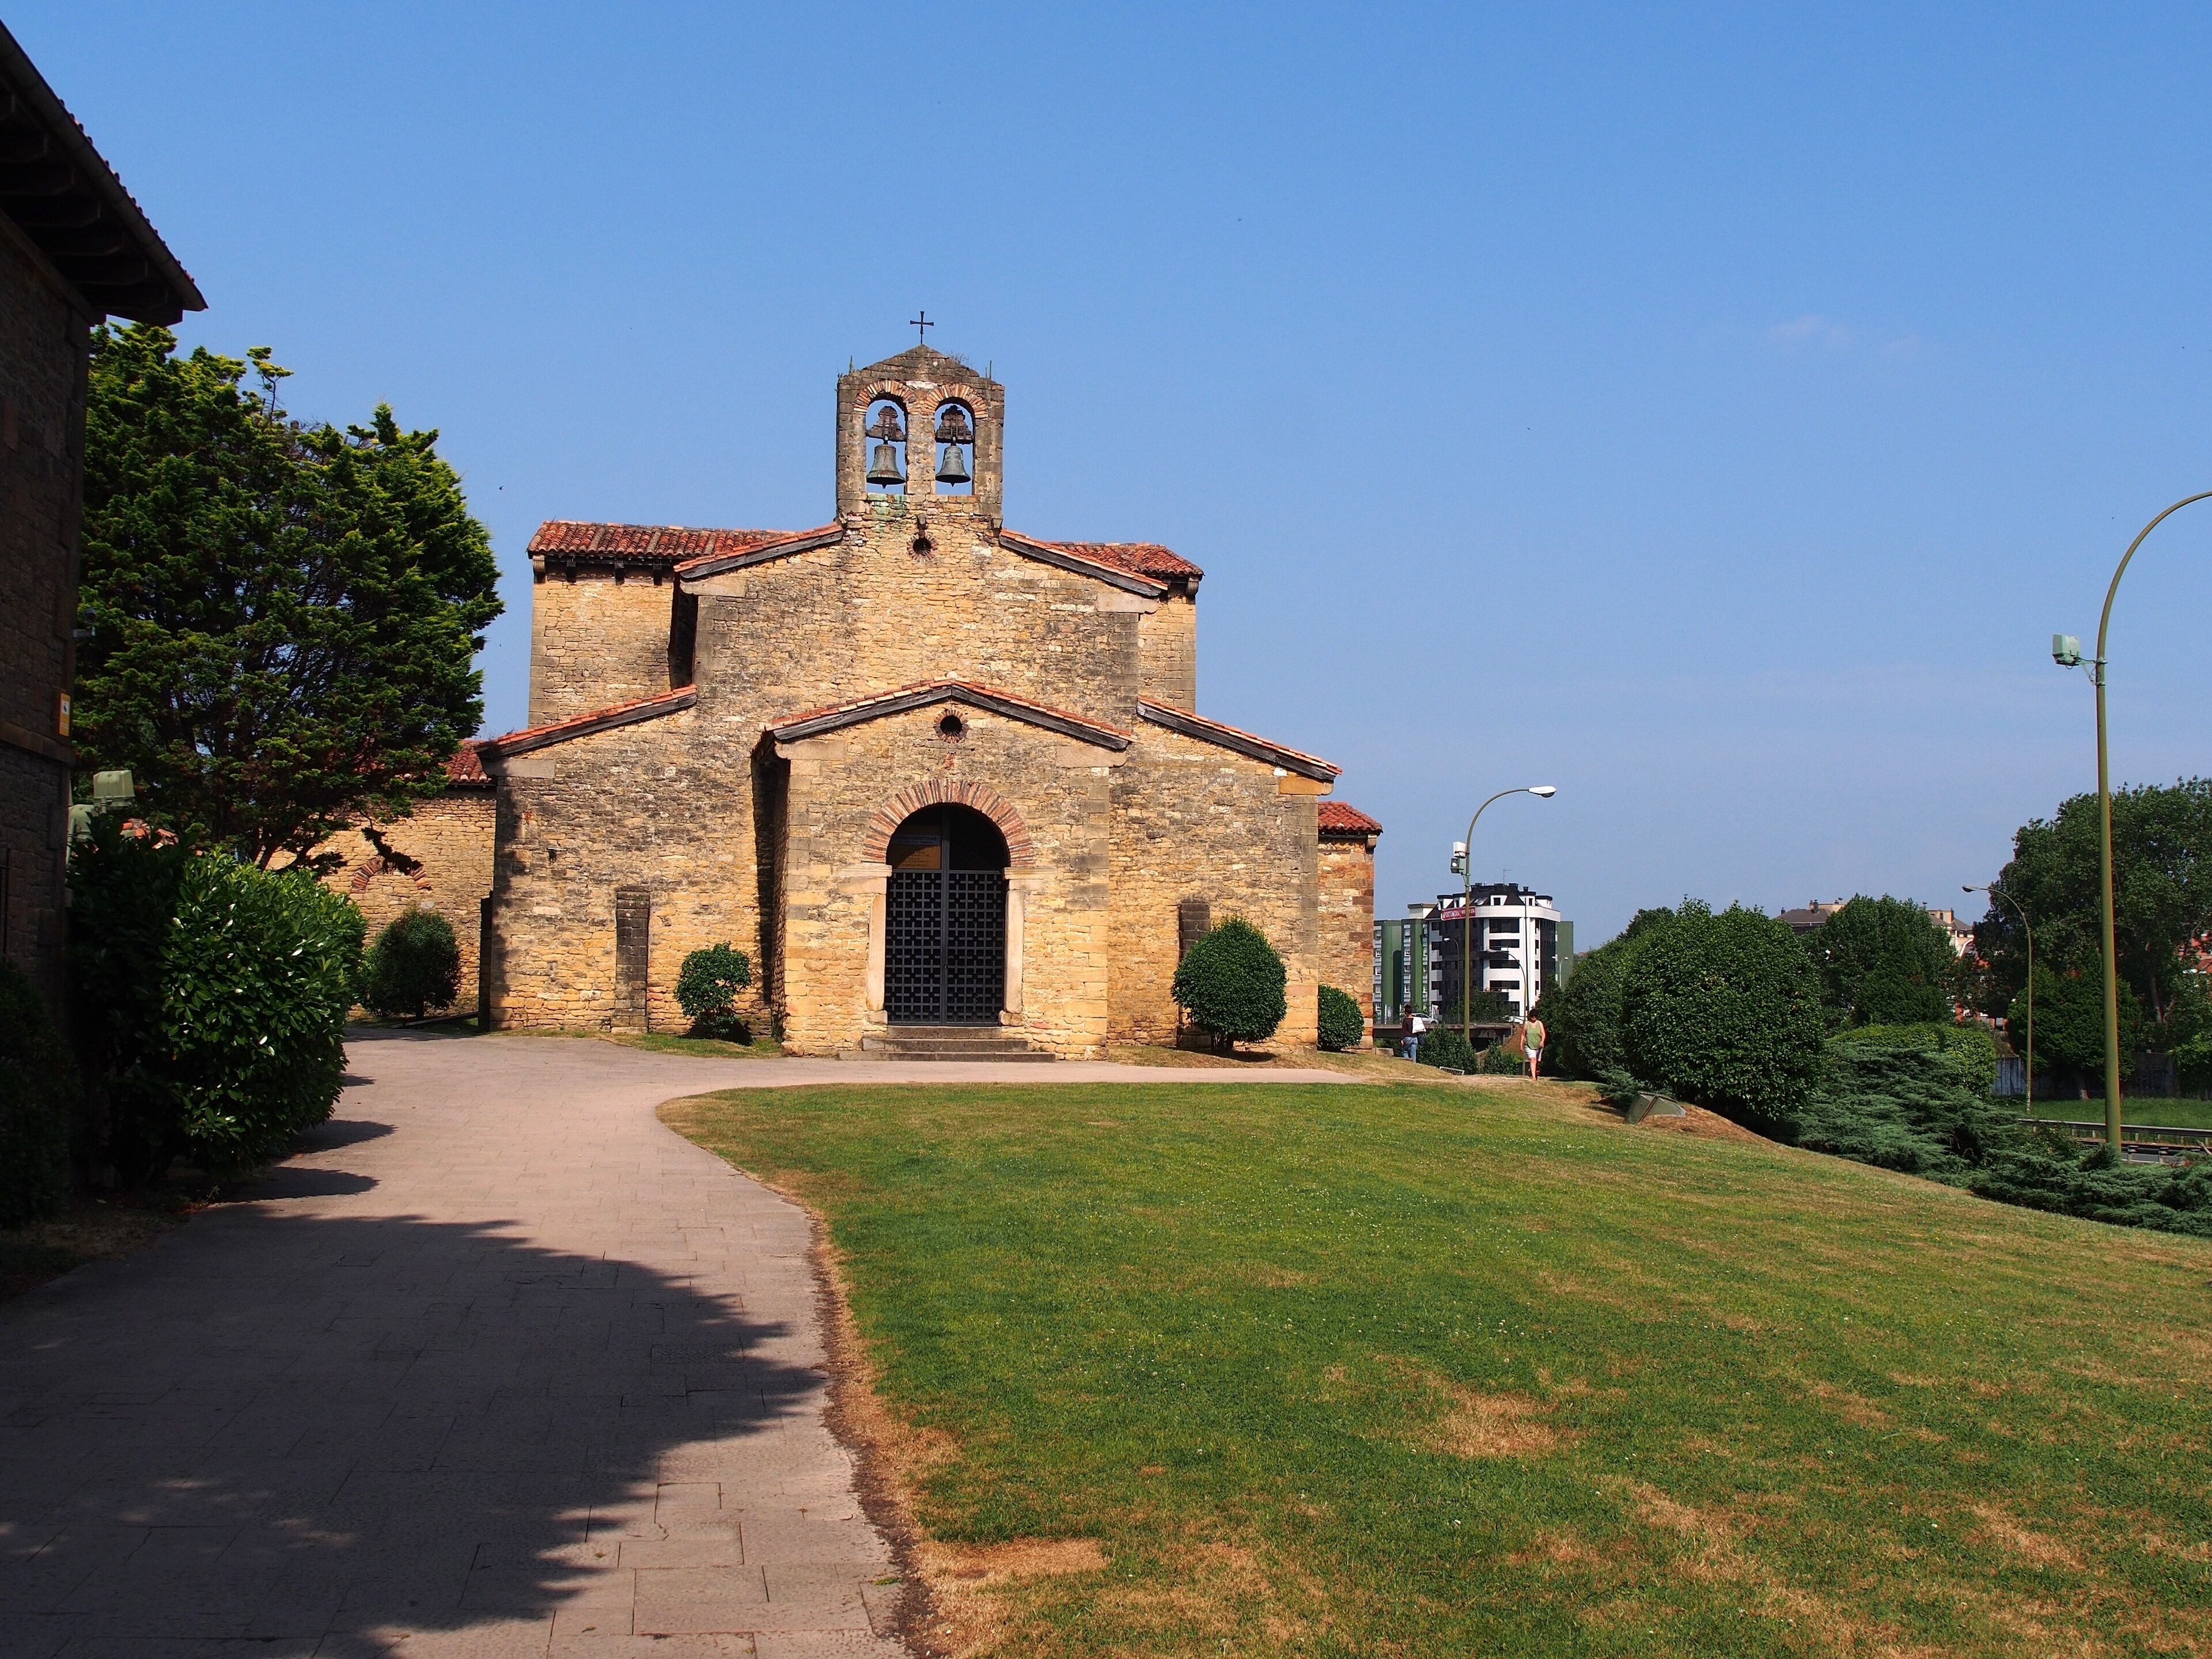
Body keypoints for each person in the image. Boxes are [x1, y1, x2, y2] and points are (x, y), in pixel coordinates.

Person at [1522, 1014, 1547, 1081]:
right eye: (1532, 1016)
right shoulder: (1527, 1024)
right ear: (1530, 1016)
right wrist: (1521, 1045)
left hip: (1539, 1046)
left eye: (1535, 1016)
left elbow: (1543, 1034)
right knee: (1533, 1059)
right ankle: (1534, 1077)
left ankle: (1533, 1072)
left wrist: (1542, 1041)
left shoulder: (1539, 1023)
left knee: (1537, 1061)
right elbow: (1523, 1034)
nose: (1534, 1017)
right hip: (1529, 1045)